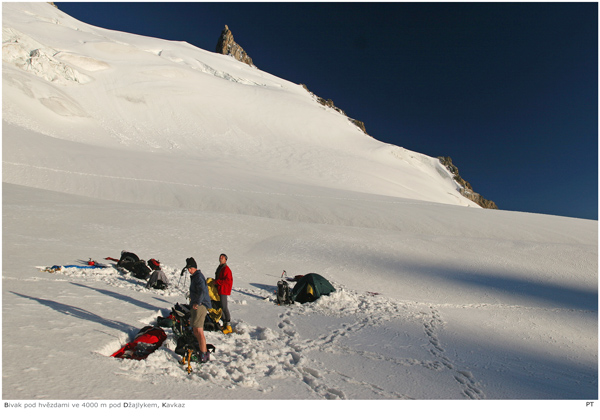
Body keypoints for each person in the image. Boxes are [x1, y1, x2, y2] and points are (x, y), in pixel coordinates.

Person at [184, 257, 212, 363]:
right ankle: (200, 349)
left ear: (193, 267)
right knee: (195, 329)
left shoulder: (198, 277)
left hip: (200, 306)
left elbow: (202, 291)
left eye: (189, 268)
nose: (188, 270)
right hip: (196, 305)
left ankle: (204, 353)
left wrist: (198, 302)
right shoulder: (195, 277)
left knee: (199, 331)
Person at [215, 253, 233, 334]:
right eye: (220, 257)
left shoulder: (226, 269)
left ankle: (228, 325)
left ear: (225, 259)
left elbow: (228, 281)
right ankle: (225, 324)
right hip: (219, 289)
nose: (221, 258)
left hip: (223, 290)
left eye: (223, 257)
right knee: (220, 307)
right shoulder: (220, 268)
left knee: (224, 307)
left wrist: (217, 282)